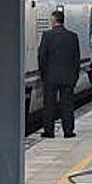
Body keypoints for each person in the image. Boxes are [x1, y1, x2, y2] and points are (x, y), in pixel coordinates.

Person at [38, 10, 81, 138]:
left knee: (49, 105)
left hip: (51, 77)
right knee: (67, 105)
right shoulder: (73, 36)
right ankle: (68, 131)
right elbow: (76, 58)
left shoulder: (47, 35)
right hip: (68, 77)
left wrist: (43, 74)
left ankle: (49, 131)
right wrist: (75, 76)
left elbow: (42, 57)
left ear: (54, 21)